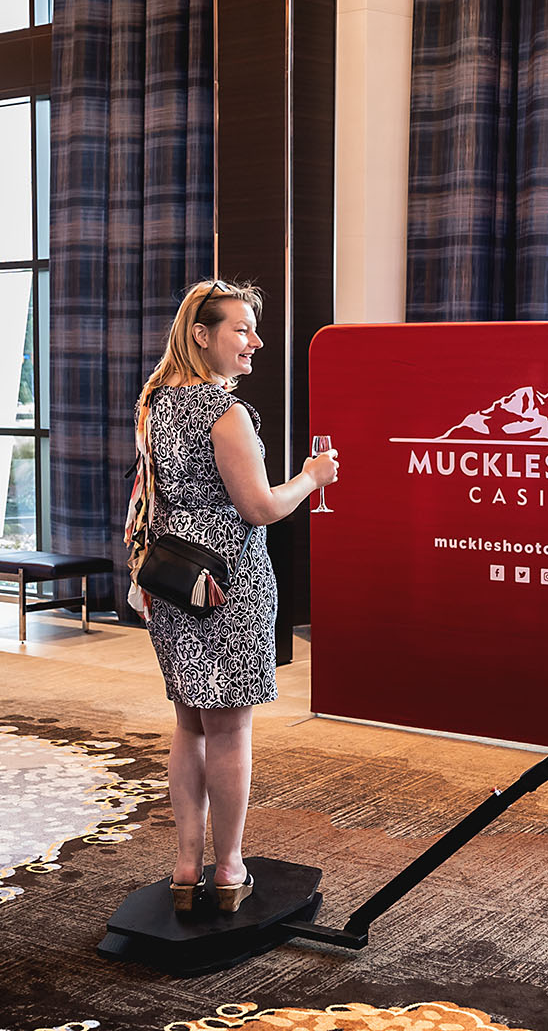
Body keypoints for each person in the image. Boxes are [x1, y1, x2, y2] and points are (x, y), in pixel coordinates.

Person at [128, 279, 338, 913]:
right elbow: (261, 507)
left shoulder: (155, 402)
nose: (256, 341)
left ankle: (185, 868)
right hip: (230, 586)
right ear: (202, 335)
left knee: (189, 723)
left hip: (172, 579)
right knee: (229, 730)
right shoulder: (226, 413)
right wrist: (311, 477)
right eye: (241, 329)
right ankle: (227, 870)